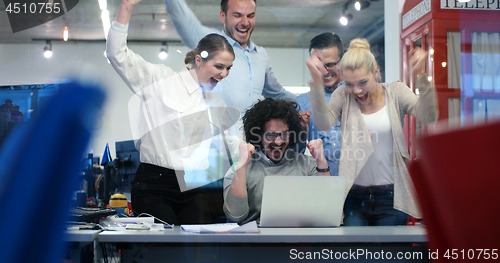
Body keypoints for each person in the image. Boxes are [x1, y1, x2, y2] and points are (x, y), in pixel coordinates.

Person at [107, 0, 240, 224]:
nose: (224, 74)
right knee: (162, 250)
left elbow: (233, 146)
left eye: (228, 68)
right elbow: (116, 54)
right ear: (199, 60)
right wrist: (127, 6)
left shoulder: (215, 102)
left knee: (197, 254)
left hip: (195, 186)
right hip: (155, 185)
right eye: (219, 67)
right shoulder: (160, 80)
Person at [307, 38, 438, 226]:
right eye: (349, 84)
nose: (357, 90)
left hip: (391, 197)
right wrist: (316, 83)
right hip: (354, 197)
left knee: (388, 255)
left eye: (362, 82)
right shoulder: (343, 95)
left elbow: (429, 115)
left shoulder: (396, 92)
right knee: (355, 254)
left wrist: (422, 77)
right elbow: (322, 123)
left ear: (376, 72)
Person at [164, 0, 296, 115]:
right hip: (217, 139)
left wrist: (311, 100)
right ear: (223, 16)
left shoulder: (260, 55)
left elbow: (278, 94)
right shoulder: (211, 43)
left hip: (252, 140)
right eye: (237, 15)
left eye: (250, 16)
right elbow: (183, 20)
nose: (245, 22)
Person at [223, 98, 330, 225]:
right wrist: (241, 167)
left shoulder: (308, 165)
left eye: (284, 134)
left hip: (299, 240)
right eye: (271, 135)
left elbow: (328, 215)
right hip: (254, 241)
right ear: (258, 134)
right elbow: (235, 216)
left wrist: (321, 161)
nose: (278, 142)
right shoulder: (240, 168)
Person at [295, 32, 344, 176]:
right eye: (318, 66)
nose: (324, 71)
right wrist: (300, 132)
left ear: (341, 61)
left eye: (329, 65)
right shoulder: (302, 103)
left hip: (360, 185)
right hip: (322, 182)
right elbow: (295, 154)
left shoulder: (357, 95)